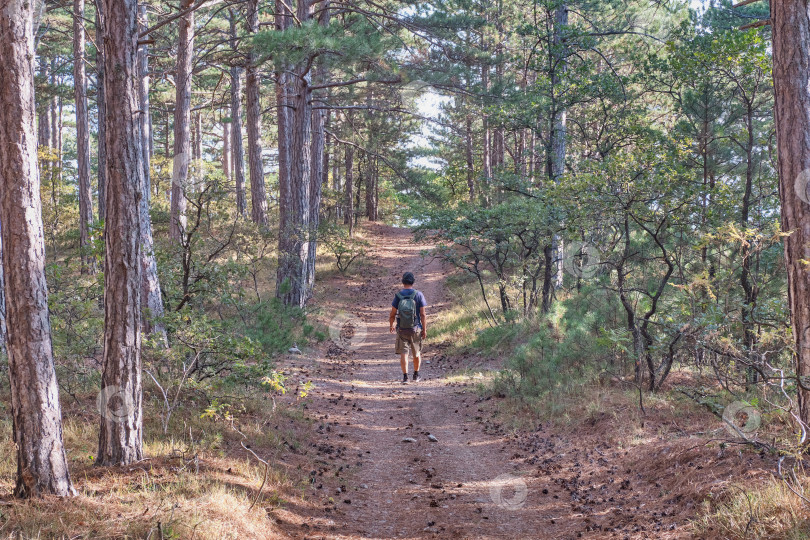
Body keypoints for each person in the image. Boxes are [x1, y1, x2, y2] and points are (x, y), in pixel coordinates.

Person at [389, 272, 427, 383]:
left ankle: (405, 377)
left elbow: (392, 313)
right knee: (417, 353)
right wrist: (424, 329)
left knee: (404, 354)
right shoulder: (419, 295)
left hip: (401, 329)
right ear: (413, 281)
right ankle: (416, 375)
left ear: (403, 281)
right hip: (415, 329)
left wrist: (391, 325)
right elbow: (423, 314)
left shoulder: (398, 295)